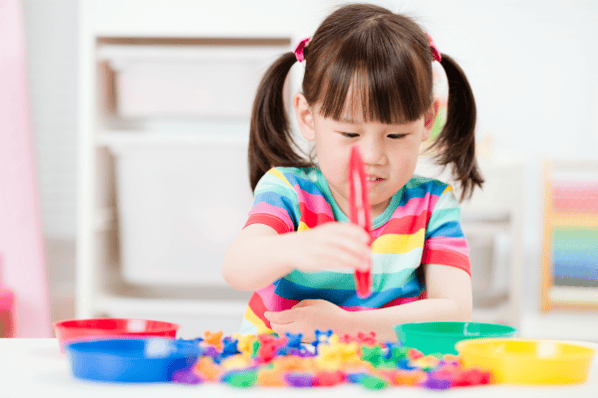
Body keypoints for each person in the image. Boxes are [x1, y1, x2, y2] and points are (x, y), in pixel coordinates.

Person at [222, 3, 484, 342]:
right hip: (282, 372)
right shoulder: (289, 190)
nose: (373, 156)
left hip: (382, 374)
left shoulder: (432, 205)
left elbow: (454, 311)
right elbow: (237, 268)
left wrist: (345, 326)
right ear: (307, 116)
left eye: (395, 135)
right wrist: (295, 248)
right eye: (350, 134)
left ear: (427, 122)